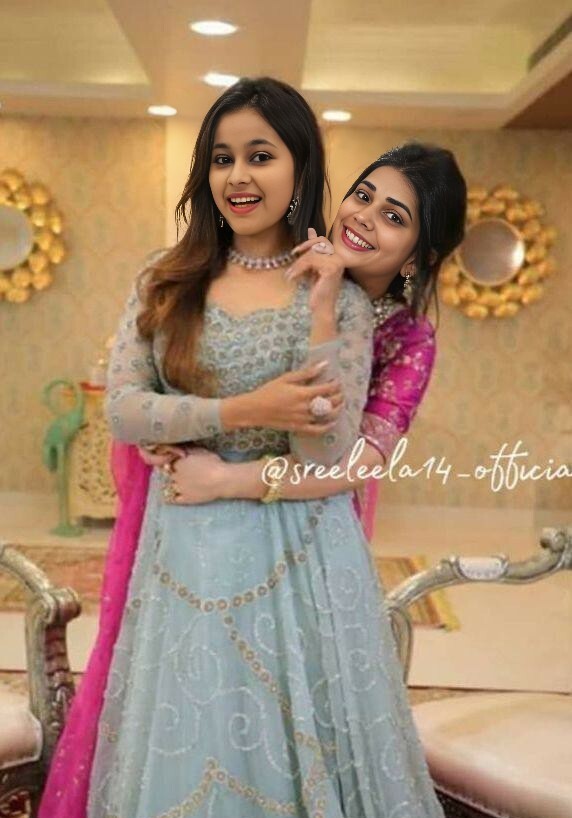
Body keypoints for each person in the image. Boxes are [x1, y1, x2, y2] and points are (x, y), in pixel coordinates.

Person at [15, 78, 545, 818]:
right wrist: (232, 415)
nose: (238, 175)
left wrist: (239, 448)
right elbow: (127, 411)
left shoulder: (365, 312)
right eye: (223, 156)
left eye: (260, 155)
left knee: (297, 756)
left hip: (296, 551)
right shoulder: (166, 276)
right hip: (182, 551)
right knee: (185, 748)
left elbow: (338, 454)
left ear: (299, 166)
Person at [150, 142, 463, 541]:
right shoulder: (271, 265)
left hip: (305, 514)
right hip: (195, 488)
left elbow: (358, 464)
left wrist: (226, 480)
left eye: (393, 217)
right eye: (363, 196)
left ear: (418, 258)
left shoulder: (407, 338)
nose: (364, 217)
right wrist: (160, 431)